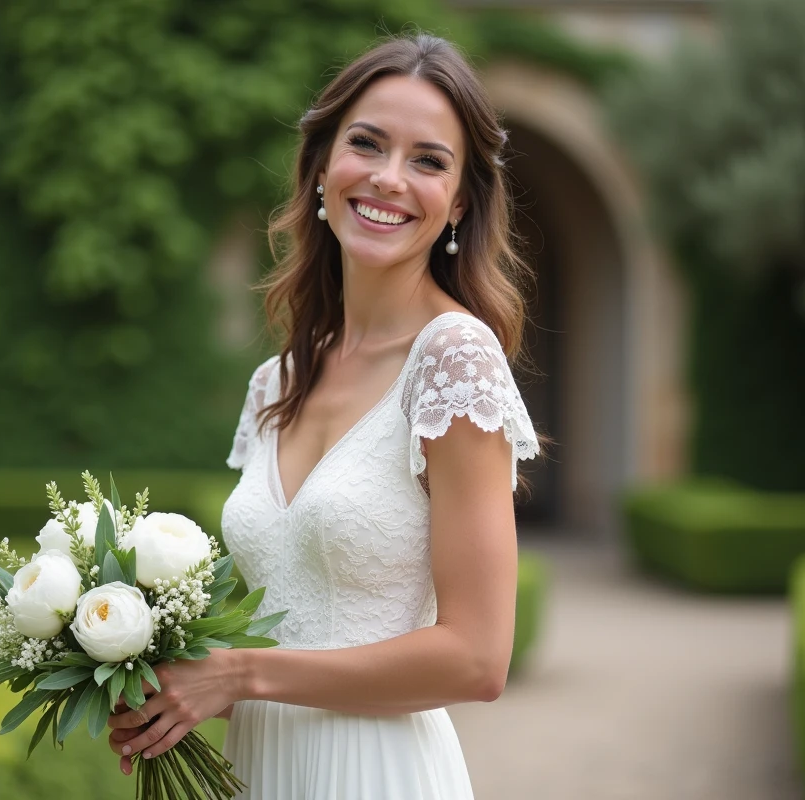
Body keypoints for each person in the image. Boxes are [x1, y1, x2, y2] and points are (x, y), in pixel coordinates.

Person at [107, 32, 540, 798]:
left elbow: (478, 660)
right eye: (366, 145)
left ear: (460, 203)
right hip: (260, 769)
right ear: (321, 169)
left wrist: (240, 673)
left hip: (375, 773)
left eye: (428, 161)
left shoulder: (453, 362)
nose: (388, 178)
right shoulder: (276, 382)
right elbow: (286, 619)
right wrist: (165, 683)